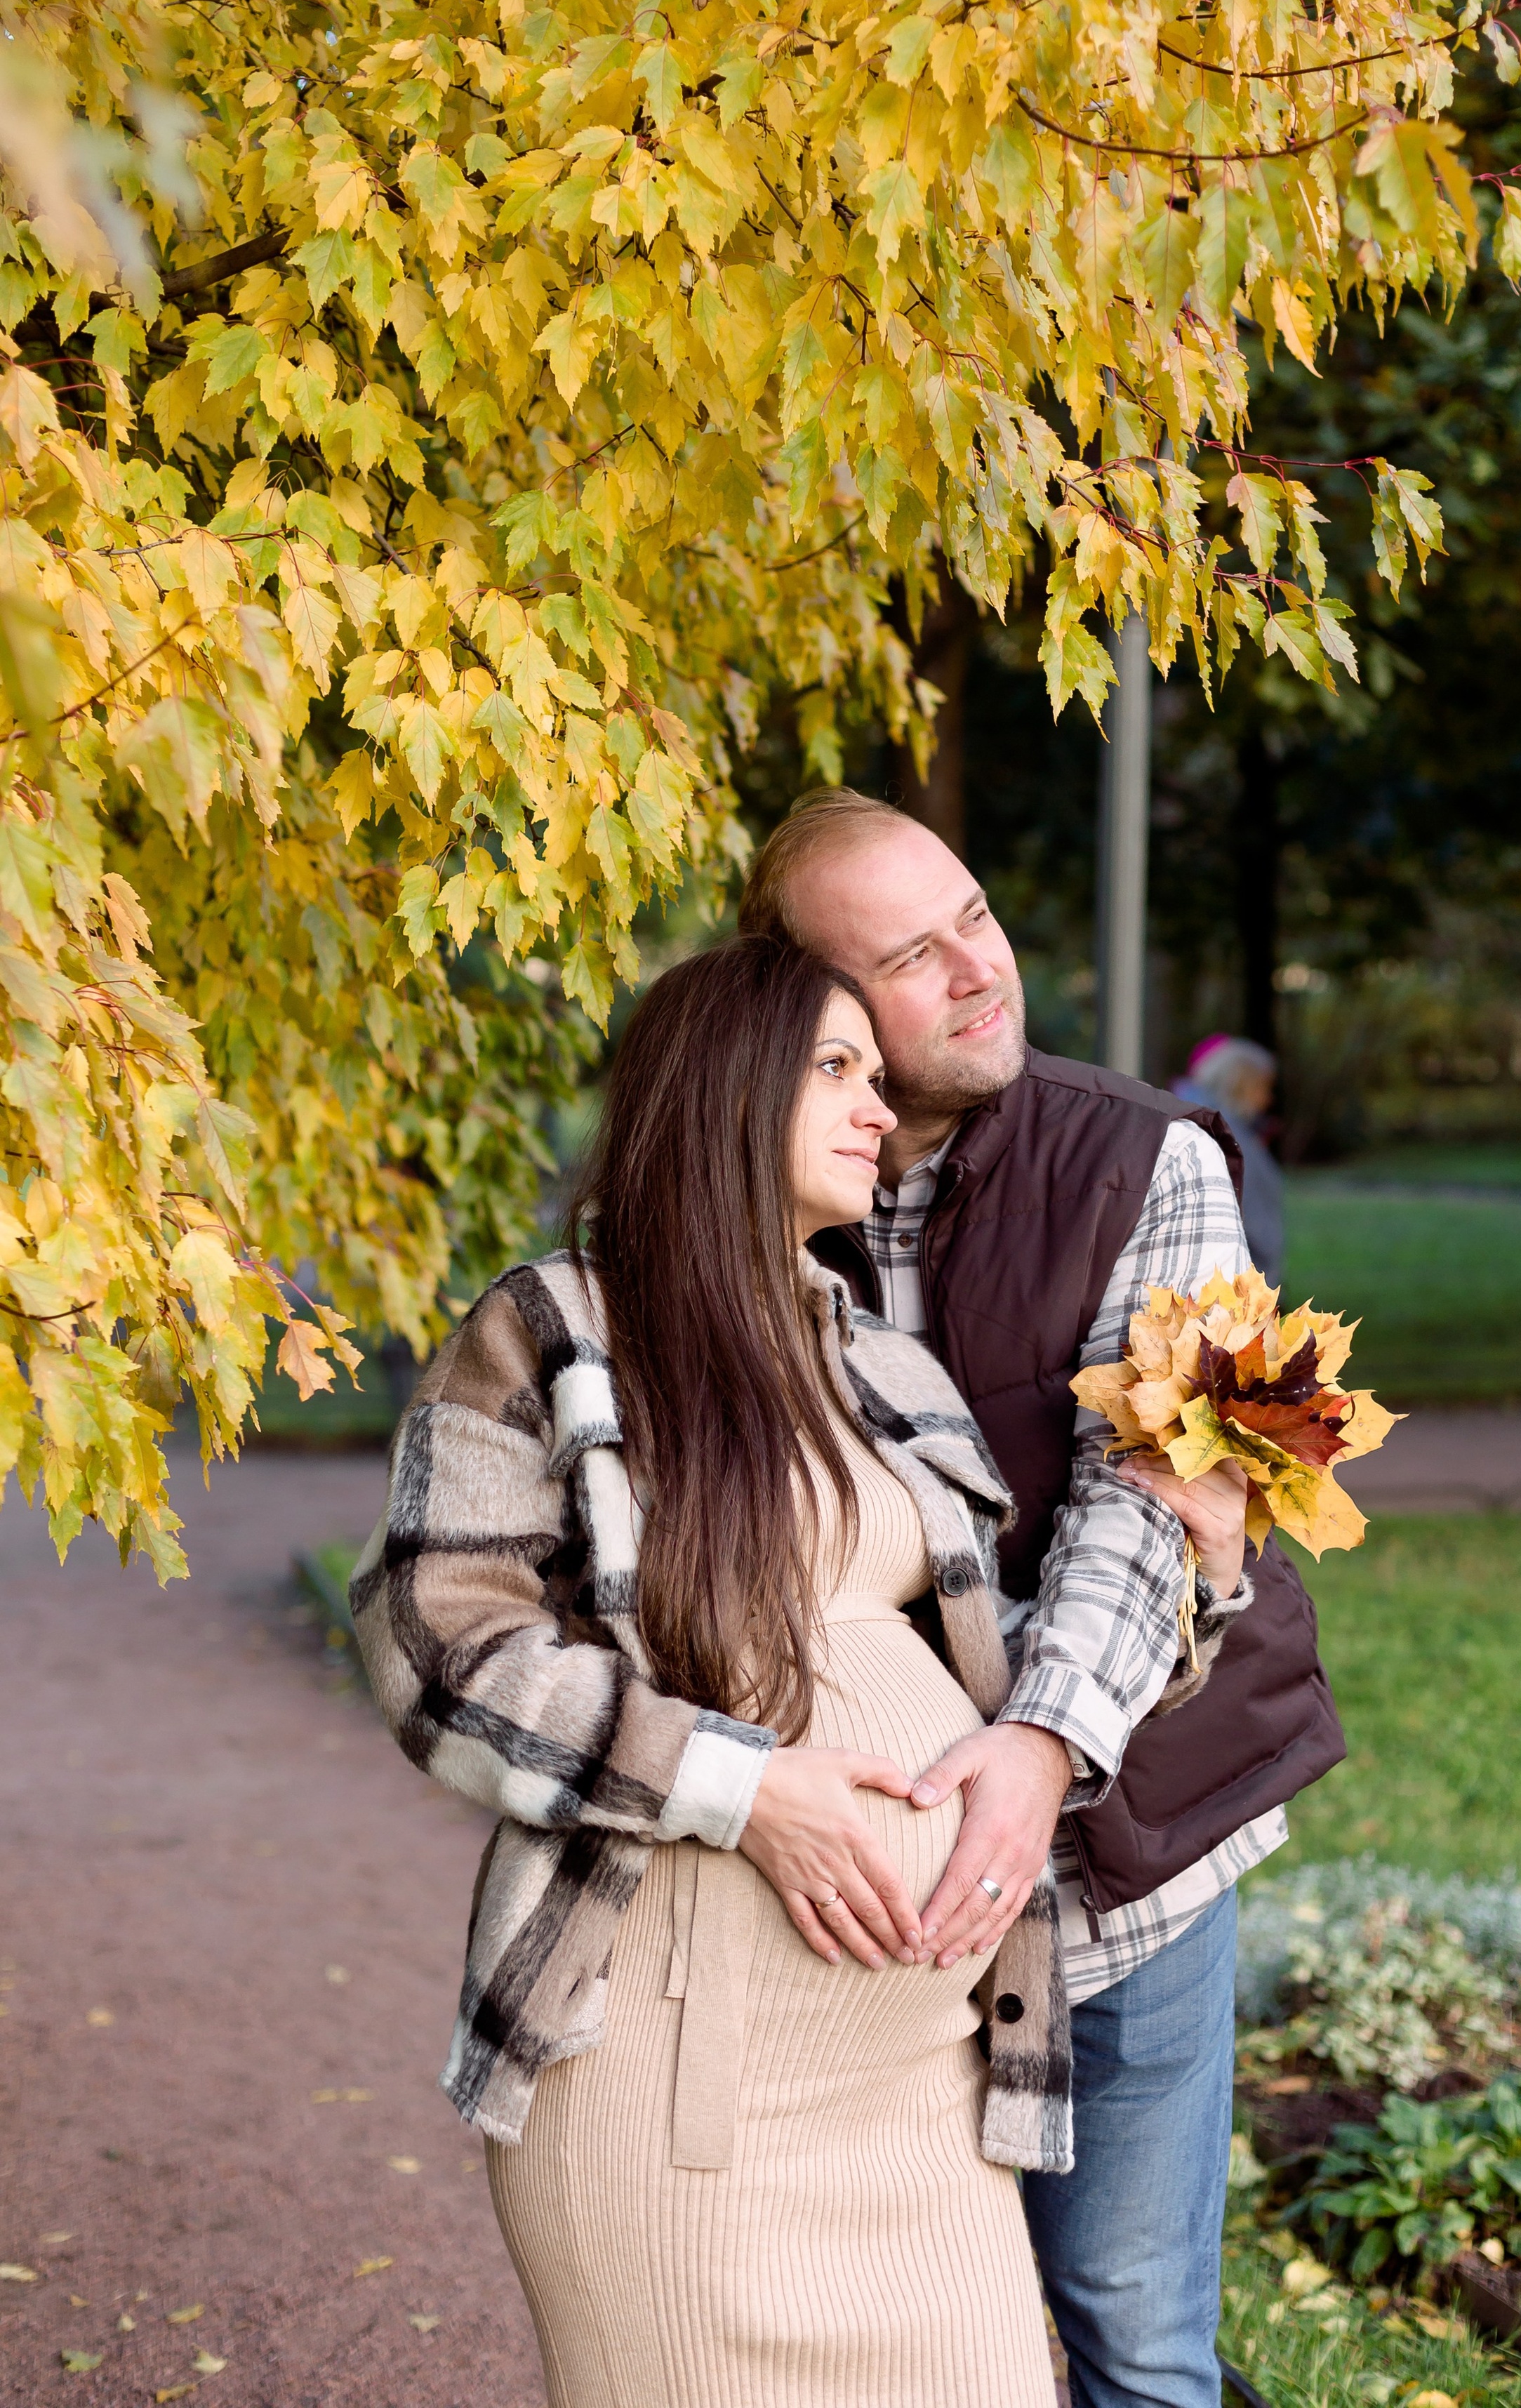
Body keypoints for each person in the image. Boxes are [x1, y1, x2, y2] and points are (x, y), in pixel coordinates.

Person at [353, 934, 1130, 2408]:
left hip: (924, 2097)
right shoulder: (556, 1332)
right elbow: (433, 1640)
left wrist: (1195, 1553)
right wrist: (739, 1788)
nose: (877, 1113)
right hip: (674, 2091)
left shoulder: (883, 1365)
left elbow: (991, 1659)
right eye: (834, 1071)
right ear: (723, 1093)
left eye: (877, 1080)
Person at [739, 791, 1346, 2408]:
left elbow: (1149, 1509)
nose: (973, 970)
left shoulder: (1152, 1156)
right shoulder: (742, 1194)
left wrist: (1035, 1751)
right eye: (906, 957)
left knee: (1130, 2333)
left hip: (1128, 1836)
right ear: (804, 1009)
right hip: (875, 1878)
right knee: (929, 2340)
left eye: (974, 919)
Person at [1171, 1033, 1284, 1284]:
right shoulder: (1226, 1138)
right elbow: (1255, 1223)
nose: (1268, 1100)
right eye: (1263, 1087)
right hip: (1229, 1287)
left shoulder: (1188, 1120)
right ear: (1239, 1084)